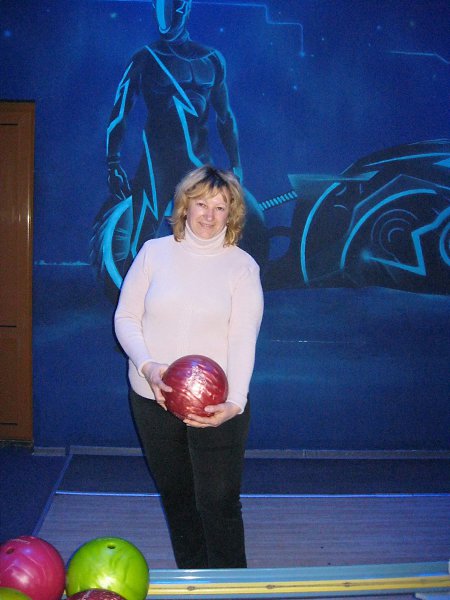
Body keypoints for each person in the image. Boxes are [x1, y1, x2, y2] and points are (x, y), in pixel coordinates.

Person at [114, 165, 264, 569]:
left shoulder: (242, 267)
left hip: (218, 404)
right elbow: (126, 317)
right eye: (201, 204)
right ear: (185, 206)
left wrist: (235, 401)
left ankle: (232, 589)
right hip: (153, 397)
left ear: (232, 214)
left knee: (219, 501)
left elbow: (242, 337)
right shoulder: (153, 253)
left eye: (220, 207)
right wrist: (148, 367)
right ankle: (194, 583)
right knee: (178, 498)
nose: (209, 215)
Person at [95, 0, 267, 289]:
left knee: (213, 241)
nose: (165, 18)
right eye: (160, 9)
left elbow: (225, 117)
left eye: (171, 10)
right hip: (157, 164)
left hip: (199, 164)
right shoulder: (145, 59)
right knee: (142, 241)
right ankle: (136, 304)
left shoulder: (211, 59)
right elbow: (119, 113)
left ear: (185, 9)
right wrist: (112, 163)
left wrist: (236, 164)